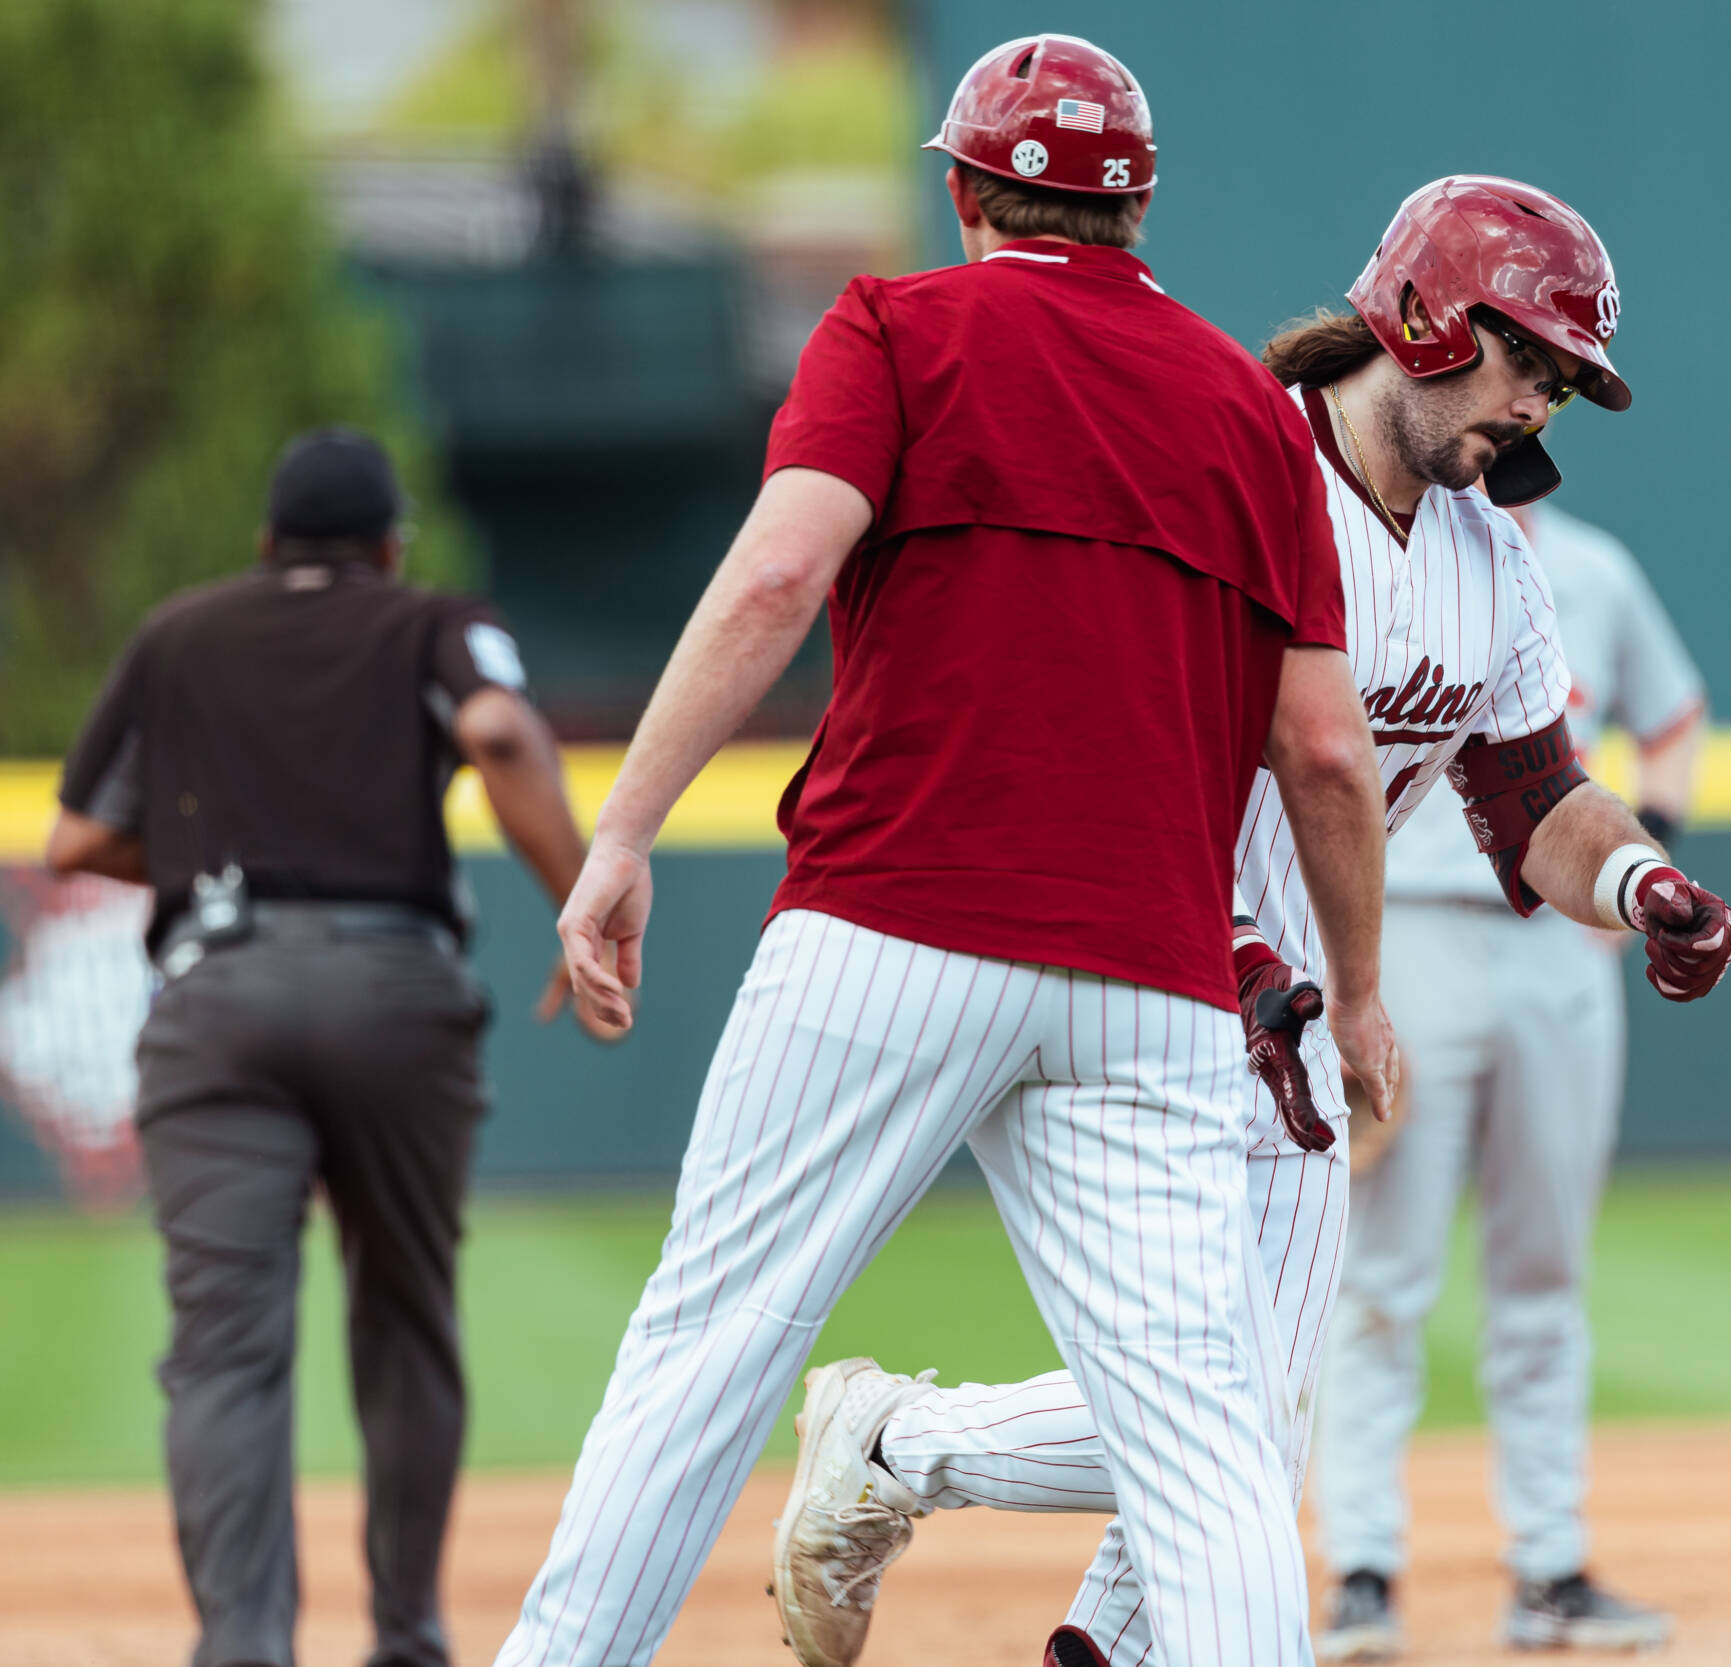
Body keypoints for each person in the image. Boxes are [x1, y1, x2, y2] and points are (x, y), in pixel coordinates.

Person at [492, 34, 1395, 1667]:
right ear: (1135, 209)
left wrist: (621, 828)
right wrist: (1366, 989)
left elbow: (777, 580)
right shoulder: (1247, 412)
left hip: (891, 922)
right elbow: (1325, 750)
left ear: (966, 186)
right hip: (1150, 975)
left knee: (709, 1350)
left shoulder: (896, 327)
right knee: (1206, 1439)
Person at [790, 176, 1731, 1667]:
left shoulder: (1497, 559)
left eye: (1563, 381)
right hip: (1139, 969)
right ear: (1430, 316)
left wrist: (1641, 883)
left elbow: (1538, 795)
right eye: (1529, 362)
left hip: (1296, 1008)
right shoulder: (1231, 459)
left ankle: (924, 1470)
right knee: (1222, 1420)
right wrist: (1241, 953)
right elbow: (1099, 723)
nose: (1542, 407)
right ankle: (899, 1443)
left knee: (1246, 1421)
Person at [44, 427, 605, 1667]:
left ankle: (244, 1647)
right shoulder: (429, 619)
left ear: (264, 543)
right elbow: (503, 735)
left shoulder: (176, 633)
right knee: (404, 1318)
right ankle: (405, 1635)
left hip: (217, 992)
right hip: (390, 983)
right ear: (391, 544)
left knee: (224, 1353)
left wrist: (201, 864)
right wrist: (583, 895)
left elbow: (75, 840)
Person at [1312, 498, 1706, 1658]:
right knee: (1381, 1273)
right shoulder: (1375, 550)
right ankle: (1363, 1569)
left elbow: (1674, 715)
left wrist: (1645, 857)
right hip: (1410, 935)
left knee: (1543, 1269)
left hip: (1556, 949)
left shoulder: (1593, 566)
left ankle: (1549, 1566)